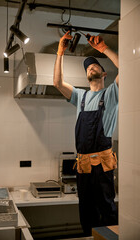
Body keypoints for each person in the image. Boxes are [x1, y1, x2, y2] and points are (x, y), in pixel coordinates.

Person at [53, 31, 119, 236]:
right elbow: (57, 83)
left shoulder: (111, 94)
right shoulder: (80, 96)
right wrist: (60, 52)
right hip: (82, 167)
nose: (90, 67)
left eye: (95, 65)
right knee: (86, 214)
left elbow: (133, 68)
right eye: (87, 67)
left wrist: (104, 49)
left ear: (104, 73)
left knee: (106, 213)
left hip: (102, 166)